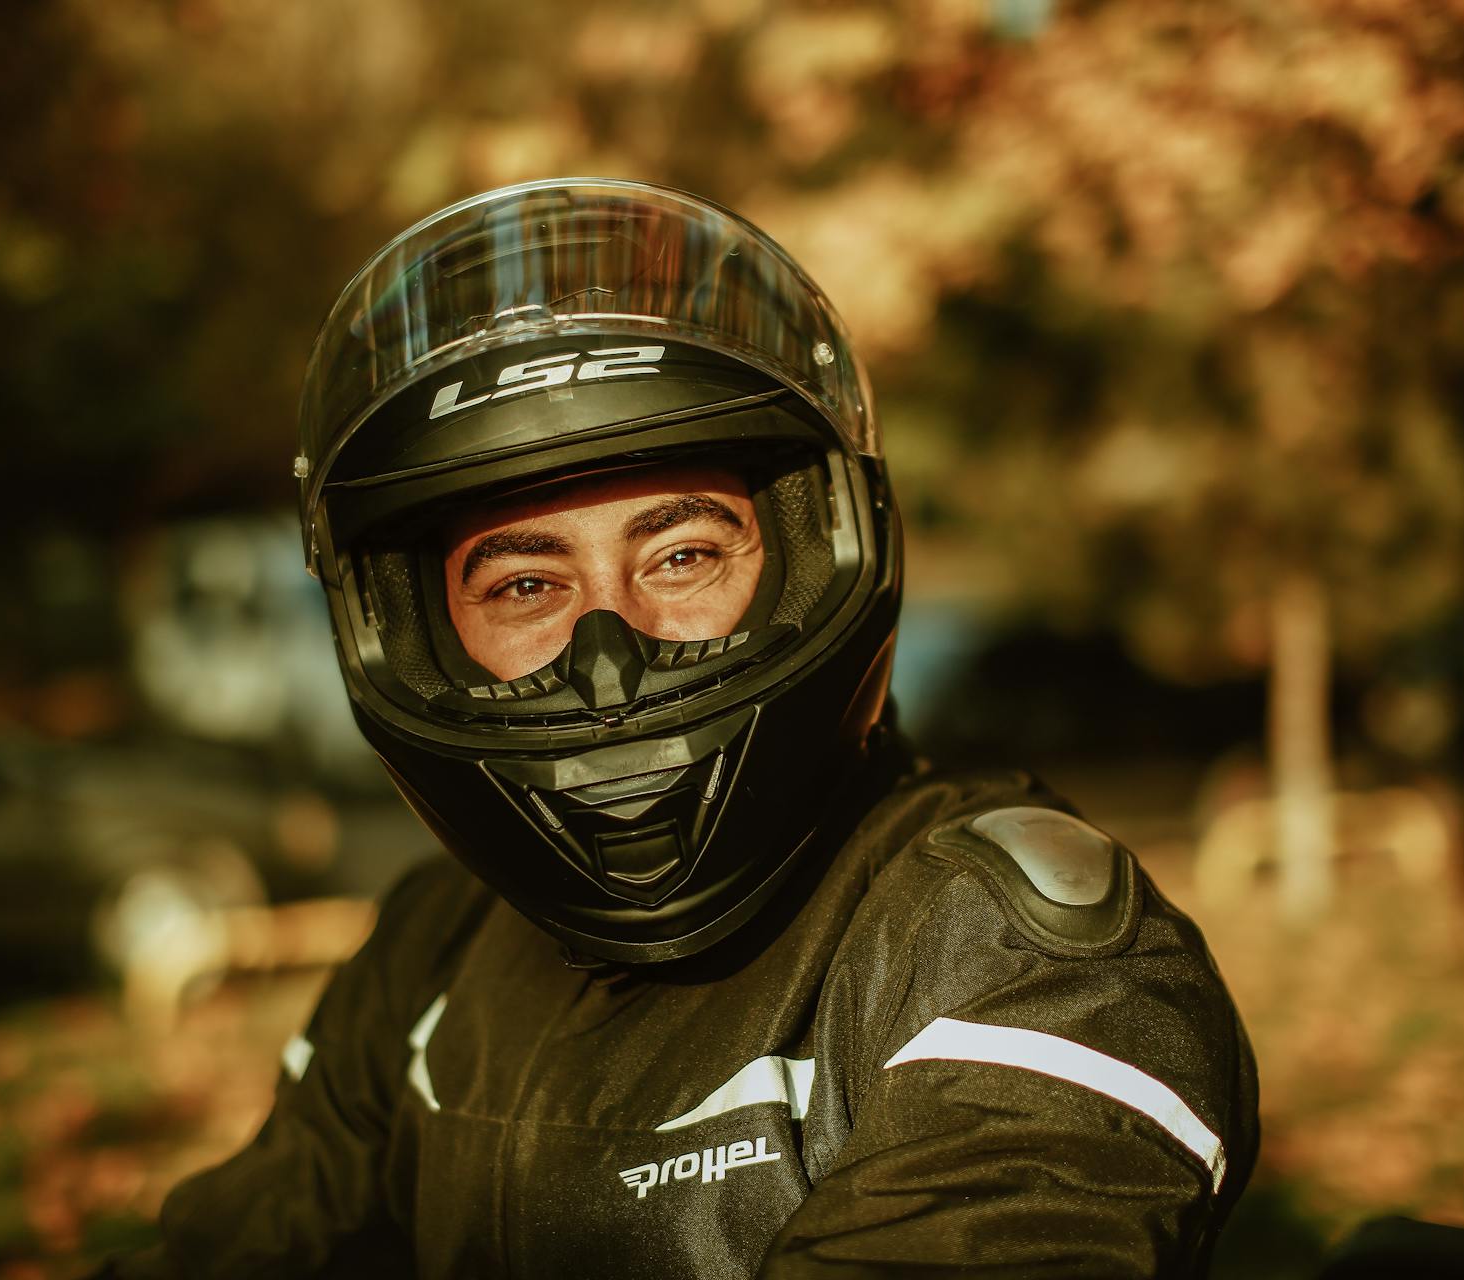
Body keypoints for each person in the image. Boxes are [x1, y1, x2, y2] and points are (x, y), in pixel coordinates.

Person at [100, 178, 1259, 1278]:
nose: (613, 658)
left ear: (815, 555)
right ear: (425, 636)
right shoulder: (435, 944)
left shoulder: (1020, 949)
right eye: (522, 587)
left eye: (682, 554)